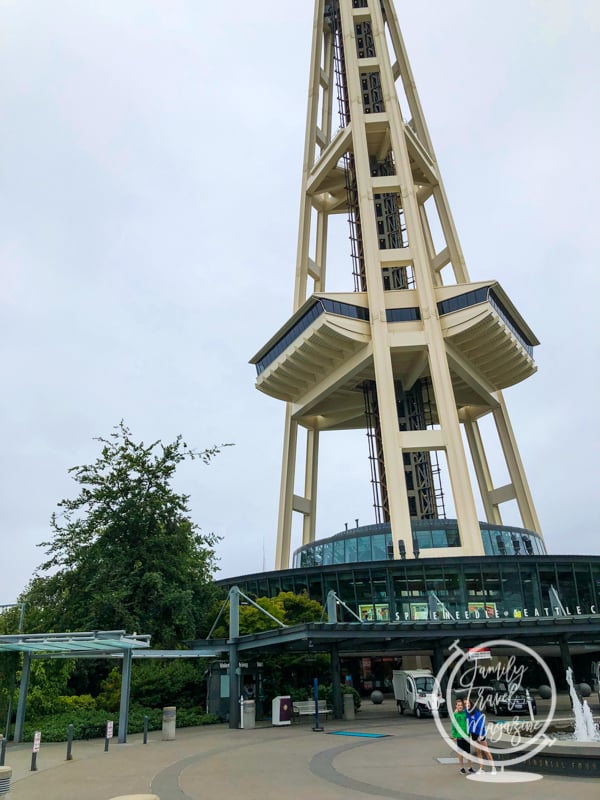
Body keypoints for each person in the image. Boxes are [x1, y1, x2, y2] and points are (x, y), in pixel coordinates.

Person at [465, 698, 496, 774]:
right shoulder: (466, 712)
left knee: (486, 751)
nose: (467, 705)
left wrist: (481, 735)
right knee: (478, 751)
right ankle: (481, 768)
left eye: (468, 703)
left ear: (471, 703)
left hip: (480, 734)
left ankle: (493, 768)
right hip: (473, 734)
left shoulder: (476, 712)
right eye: (465, 704)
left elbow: (480, 724)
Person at [450, 698, 474, 774]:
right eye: (458, 705)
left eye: (461, 705)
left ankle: (470, 767)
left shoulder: (465, 713)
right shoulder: (455, 715)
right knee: (460, 753)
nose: (460, 706)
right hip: (459, 736)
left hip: (466, 736)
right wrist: (454, 735)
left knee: (468, 753)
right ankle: (461, 768)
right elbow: (453, 726)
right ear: (456, 706)